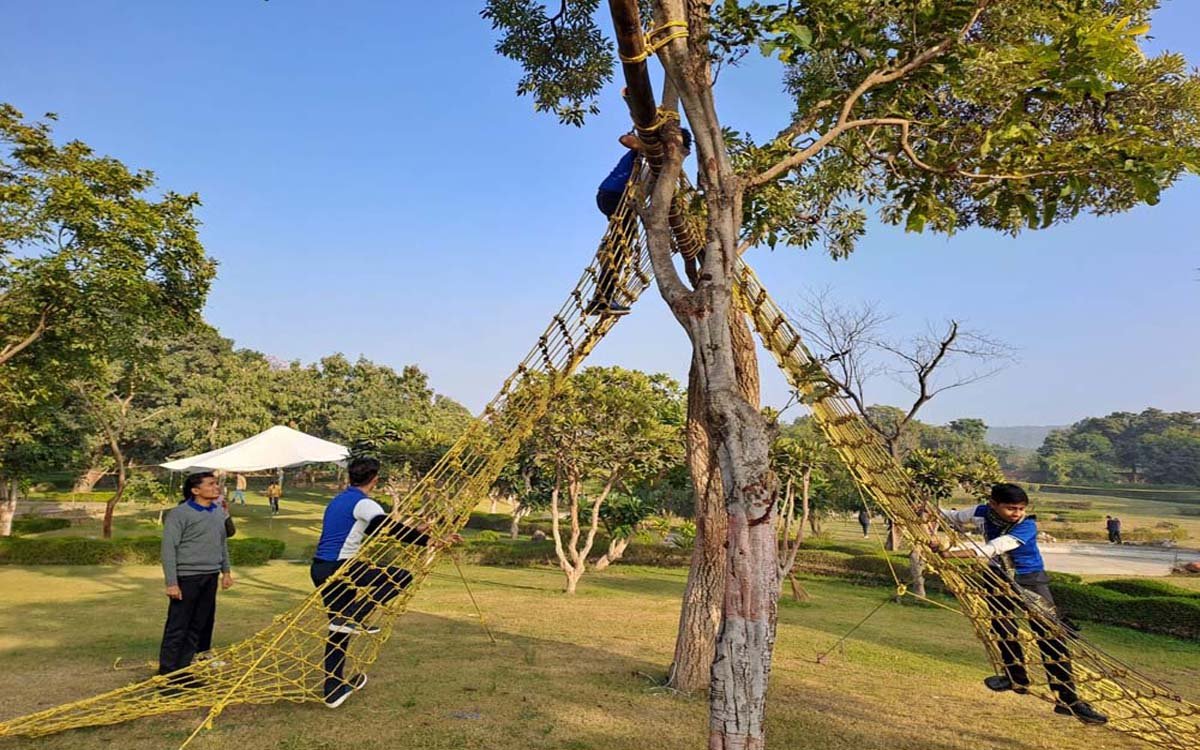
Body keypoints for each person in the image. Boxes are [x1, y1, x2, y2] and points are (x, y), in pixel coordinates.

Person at [931, 483, 1107, 725]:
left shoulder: (1026, 525)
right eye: (1011, 508)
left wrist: (948, 552)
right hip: (996, 576)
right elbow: (951, 517)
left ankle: (1067, 699)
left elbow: (991, 549)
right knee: (1003, 627)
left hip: (1029, 578)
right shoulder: (982, 511)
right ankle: (1016, 678)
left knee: (1050, 636)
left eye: (1021, 508)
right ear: (993, 504)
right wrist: (924, 509)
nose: (1017, 513)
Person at [309, 457, 462, 708]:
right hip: (341, 568)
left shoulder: (339, 500)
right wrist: (431, 541)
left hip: (321, 569)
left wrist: (418, 530)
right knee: (401, 577)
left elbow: (371, 530)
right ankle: (356, 615)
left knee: (339, 630)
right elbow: (385, 526)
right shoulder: (364, 502)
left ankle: (332, 687)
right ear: (375, 479)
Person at [588, 127, 692, 316]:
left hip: (621, 200)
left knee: (621, 245)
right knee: (621, 246)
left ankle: (602, 292)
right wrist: (649, 147)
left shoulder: (665, 169)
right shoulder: (649, 150)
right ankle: (601, 299)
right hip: (615, 195)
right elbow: (625, 138)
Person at [158, 472, 234, 687]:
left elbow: (222, 545)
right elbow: (168, 549)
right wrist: (171, 582)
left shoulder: (218, 512)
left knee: (198, 626)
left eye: (216, 483)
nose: (216, 487)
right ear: (195, 490)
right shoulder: (179, 514)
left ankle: (185, 673)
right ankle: (167, 675)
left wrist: (225, 572)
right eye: (211, 484)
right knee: (178, 626)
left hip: (209, 576)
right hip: (187, 578)